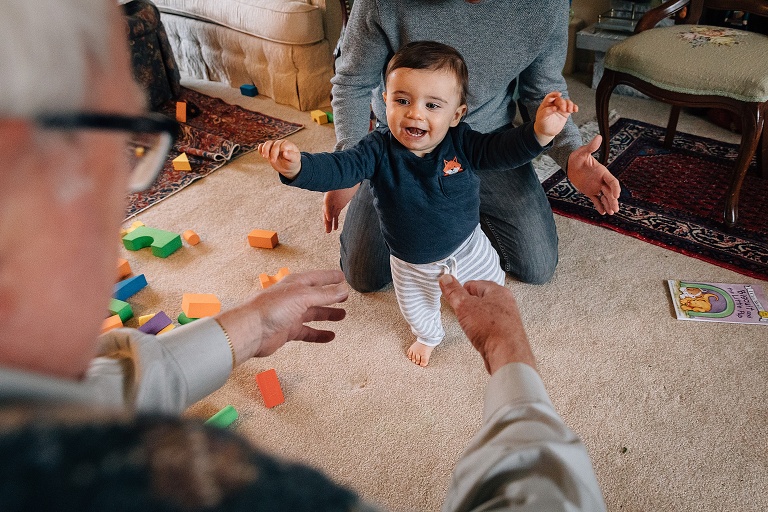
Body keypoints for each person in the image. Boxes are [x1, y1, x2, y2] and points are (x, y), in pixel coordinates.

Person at [0, 0, 605, 510]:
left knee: (521, 264)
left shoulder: (469, 136)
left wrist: (554, 140)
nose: (413, 115)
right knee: (372, 277)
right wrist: (307, 168)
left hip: (468, 223)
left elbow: (513, 135)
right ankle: (426, 326)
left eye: (134, 150)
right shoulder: (379, 143)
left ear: (456, 110)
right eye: (124, 153)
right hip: (410, 246)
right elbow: (343, 143)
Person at [260, 41, 577, 366]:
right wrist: (299, 167)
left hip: (470, 247)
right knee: (418, 309)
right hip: (412, 265)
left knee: (491, 289)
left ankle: (486, 309)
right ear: (385, 102)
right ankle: (428, 337)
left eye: (432, 105)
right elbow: (340, 167)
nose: (415, 113)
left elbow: (502, 149)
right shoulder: (376, 150)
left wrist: (539, 132)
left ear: (457, 115)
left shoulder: (462, 141)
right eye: (402, 100)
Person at [326, 0, 623, 294]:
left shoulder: (546, 6)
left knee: (537, 266)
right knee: (364, 275)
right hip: (401, 141)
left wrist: (570, 152)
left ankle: (459, 209)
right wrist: (349, 163)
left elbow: (543, 91)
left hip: (487, 140)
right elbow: (352, 83)